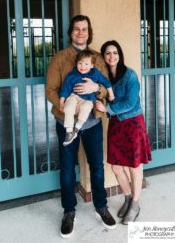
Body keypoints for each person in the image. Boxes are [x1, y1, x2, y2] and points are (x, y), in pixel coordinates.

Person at [46, 15, 116, 239]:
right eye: (76, 29)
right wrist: (67, 106)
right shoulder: (59, 58)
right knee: (67, 168)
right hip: (65, 121)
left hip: (92, 122)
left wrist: (97, 89)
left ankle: (101, 207)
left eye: (84, 29)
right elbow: (50, 89)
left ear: (89, 32)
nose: (80, 32)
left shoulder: (97, 58)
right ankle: (68, 211)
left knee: (97, 165)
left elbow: (106, 88)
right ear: (71, 32)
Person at [96, 40, 152, 225]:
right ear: (103, 57)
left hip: (133, 125)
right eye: (108, 53)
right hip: (117, 126)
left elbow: (130, 102)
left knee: (134, 166)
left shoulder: (130, 75)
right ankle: (127, 198)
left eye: (115, 52)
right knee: (117, 167)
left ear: (119, 55)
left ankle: (135, 204)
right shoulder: (104, 78)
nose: (112, 56)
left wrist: (107, 110)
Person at [59, 49, 115, 146]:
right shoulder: (72, 75)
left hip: (88, 98)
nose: (82, 66)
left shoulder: (95, 73)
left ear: (92, 65)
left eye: (86, 64)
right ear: (76, 63)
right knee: (68, 106)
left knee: (86, 108)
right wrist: (61, 103)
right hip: (74, 96)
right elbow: (65, 89)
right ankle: (69, 132)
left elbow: (106, 82)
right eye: (80, 63)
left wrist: (111, 94)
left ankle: (76, 129)